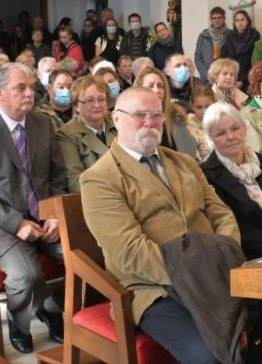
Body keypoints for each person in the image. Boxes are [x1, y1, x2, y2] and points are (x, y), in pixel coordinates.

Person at [80, 86, 243, 363]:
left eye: (156, 115)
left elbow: (221, 215)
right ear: (116, 118)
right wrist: (198, 271)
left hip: (215, 272)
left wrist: (224, 257)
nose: (150, 122)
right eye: (140, 115)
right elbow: (130, 252)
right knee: (210, 355)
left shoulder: (184, 162)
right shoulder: (100, 179)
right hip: (155, 288)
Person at [0, 63, 68, 353]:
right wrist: (16, 223)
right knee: (27, 276)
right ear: (0, 93)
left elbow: (58, 177)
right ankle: (20, 323)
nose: (30, 93)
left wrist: (55, 216)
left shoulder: (43, 124)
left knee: (89, 259)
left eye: (32, 87)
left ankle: (51, 308)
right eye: (21, 88)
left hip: (45, 218)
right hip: (3, 223)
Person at [202, 102, 262, 258]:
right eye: (221, 133)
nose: (231, 137)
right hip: (248, 253)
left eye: (235, 128)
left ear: (245, 129)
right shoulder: (207, 174)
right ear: (210, 140)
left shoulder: (261, 161)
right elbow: (231, 224)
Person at [56, 76, 116, 192]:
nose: (97, 105)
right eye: (90, 100)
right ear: (76, 105)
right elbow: (76, 182)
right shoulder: (67, 135)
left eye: (101, 99)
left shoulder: (119, 125)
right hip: (98, 197)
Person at [134, 67, 197, 158]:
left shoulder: (175, 115)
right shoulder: (134, 122)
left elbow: (190, 151)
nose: (156, 90)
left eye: (160, 86)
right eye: (150, 86)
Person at [220, 10, 261, 91]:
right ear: (234, 23)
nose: (240, 23)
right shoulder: (229, 37)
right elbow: (223, 60)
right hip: (230, 80)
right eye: (237, 20)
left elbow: (255, 63)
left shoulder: (254, 37)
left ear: (247, 21)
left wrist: (242, 81)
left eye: (242, 20)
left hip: (248, 81)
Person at [194, 6, 228, 81]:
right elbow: (198, 57)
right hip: (207, 79)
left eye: (219, 18)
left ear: (224, 18)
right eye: (214, 18)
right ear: (210, 19)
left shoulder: (230, 35)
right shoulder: (203, 36)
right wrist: (207, 75)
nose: (217, 20)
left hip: (225, 78)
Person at [187, 85, 215, 161]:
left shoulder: (221, 122)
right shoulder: (186, 125)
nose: (204, 111)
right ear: (191, 105)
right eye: (199, 107)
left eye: (208, 106)